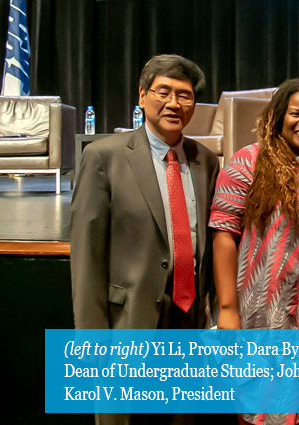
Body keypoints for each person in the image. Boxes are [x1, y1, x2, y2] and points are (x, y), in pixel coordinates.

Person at [70, 54, 219, 424]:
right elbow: (88, 252)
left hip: (187, 319)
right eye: (163, 92)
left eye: (184, 96)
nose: (174, 104)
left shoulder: (206, 160)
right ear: (142, 95)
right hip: (126, 320)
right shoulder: (104, 156)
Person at [209, 78, 299, 425]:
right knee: (260, 413)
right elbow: (223, 235)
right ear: (278, 116)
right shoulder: (248, 162)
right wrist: (228, 310)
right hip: (262, 321)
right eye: (296, 113)